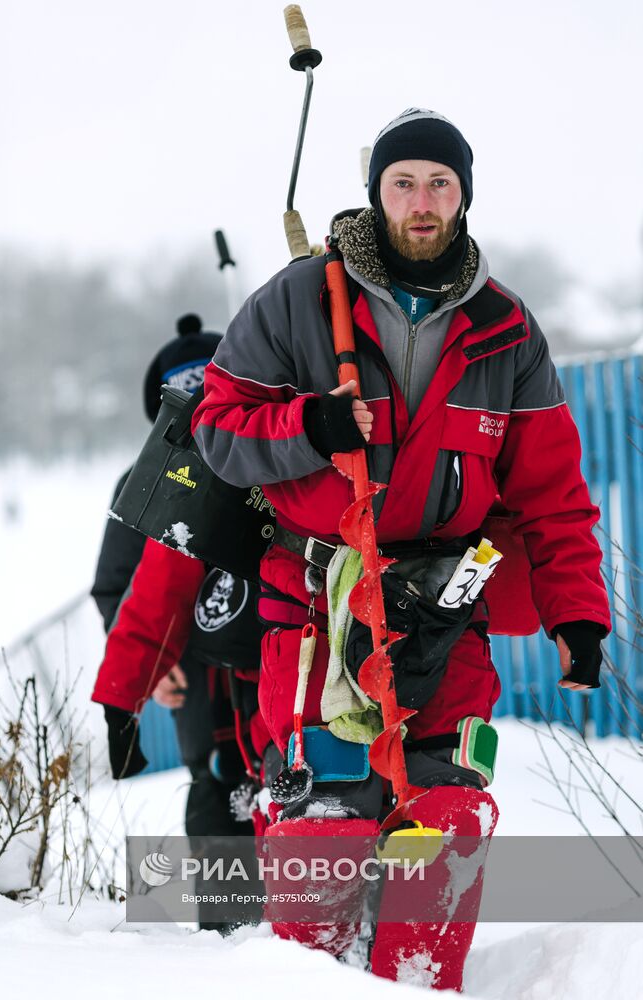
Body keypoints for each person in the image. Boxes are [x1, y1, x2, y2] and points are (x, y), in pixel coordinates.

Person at [191, 109, 611, 988]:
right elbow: (218, 430)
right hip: (316, 607)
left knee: (446, 812)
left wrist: (577, 615)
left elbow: (552, 494)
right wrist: (310, 424)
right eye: (402, 183)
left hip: (445, 614)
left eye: (439, 184)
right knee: (325, 817)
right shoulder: (298, 300)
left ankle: (417, 980)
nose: (421, 202)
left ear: (463, 196)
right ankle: (314, 982)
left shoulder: (505, 329)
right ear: (375, 193)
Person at [91, 315, 268, 931]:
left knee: (269, 771)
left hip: (258, 641)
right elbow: (118, 586)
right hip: (185, 660)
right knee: (214, 774)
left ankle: (285, 916)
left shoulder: (260, 458)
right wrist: (151, 671)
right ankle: (228, 920)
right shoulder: (140, 485)